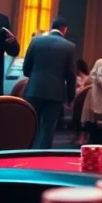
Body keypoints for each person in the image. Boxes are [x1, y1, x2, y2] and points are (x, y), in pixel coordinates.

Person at [23, 17, 77, 150]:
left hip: (34, 90)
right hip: (55, 93)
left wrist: (35, 78)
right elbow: (71, 75)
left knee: (30, 126)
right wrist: (71, 97)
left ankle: (25, 156)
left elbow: (26, 68)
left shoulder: (36, 41)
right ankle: (42, 159)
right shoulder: (69, 47)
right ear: (64, 29)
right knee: (48, 130)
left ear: (51, 26)